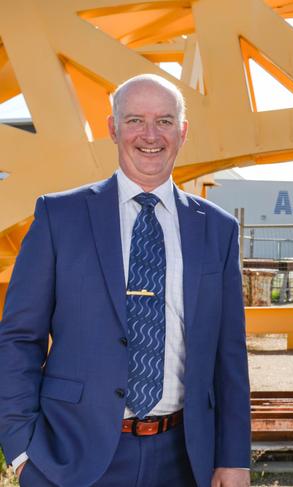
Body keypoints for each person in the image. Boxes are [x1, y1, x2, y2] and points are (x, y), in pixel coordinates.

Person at [0, 74, 251, 487]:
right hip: (70, 457)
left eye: (165, 121)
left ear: (183, 132)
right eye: (135, 120)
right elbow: (18, 339)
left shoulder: (217, 229)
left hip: (185, 459)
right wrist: (23, 449)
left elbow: (230, 355)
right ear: (112, 129)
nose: (150, 135)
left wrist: (233, 458)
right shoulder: (58, 217)